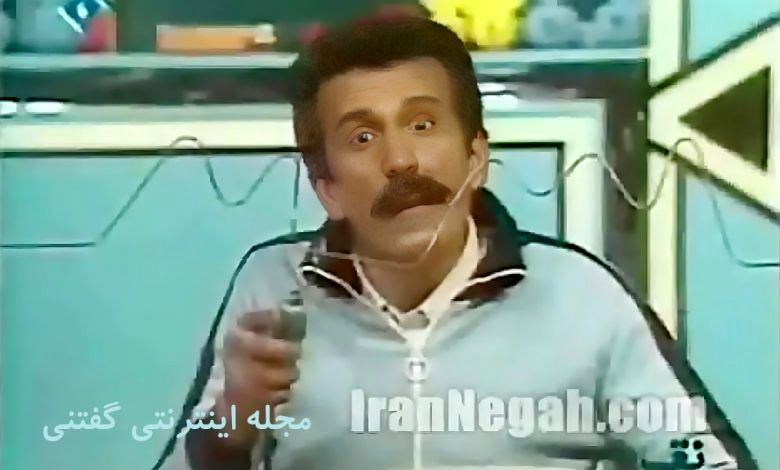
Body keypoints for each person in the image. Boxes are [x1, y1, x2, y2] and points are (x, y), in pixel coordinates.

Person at [154, 16, 755, 470]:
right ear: (327, 188)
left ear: (476, 157)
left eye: (422, 124)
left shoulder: (581, 296)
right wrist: (232, 424)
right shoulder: (272, 289)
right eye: (362, 137)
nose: (400, 160)